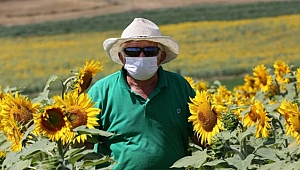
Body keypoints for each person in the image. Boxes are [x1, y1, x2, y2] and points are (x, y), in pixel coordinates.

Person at [88, 17, 199, 169]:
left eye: (150, 51)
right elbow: (84, 144)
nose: (141, 57)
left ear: (161, 57)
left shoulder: (179, 86)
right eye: (132, 51)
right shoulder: (101, 91)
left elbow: (200, 134)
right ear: (122, 57)